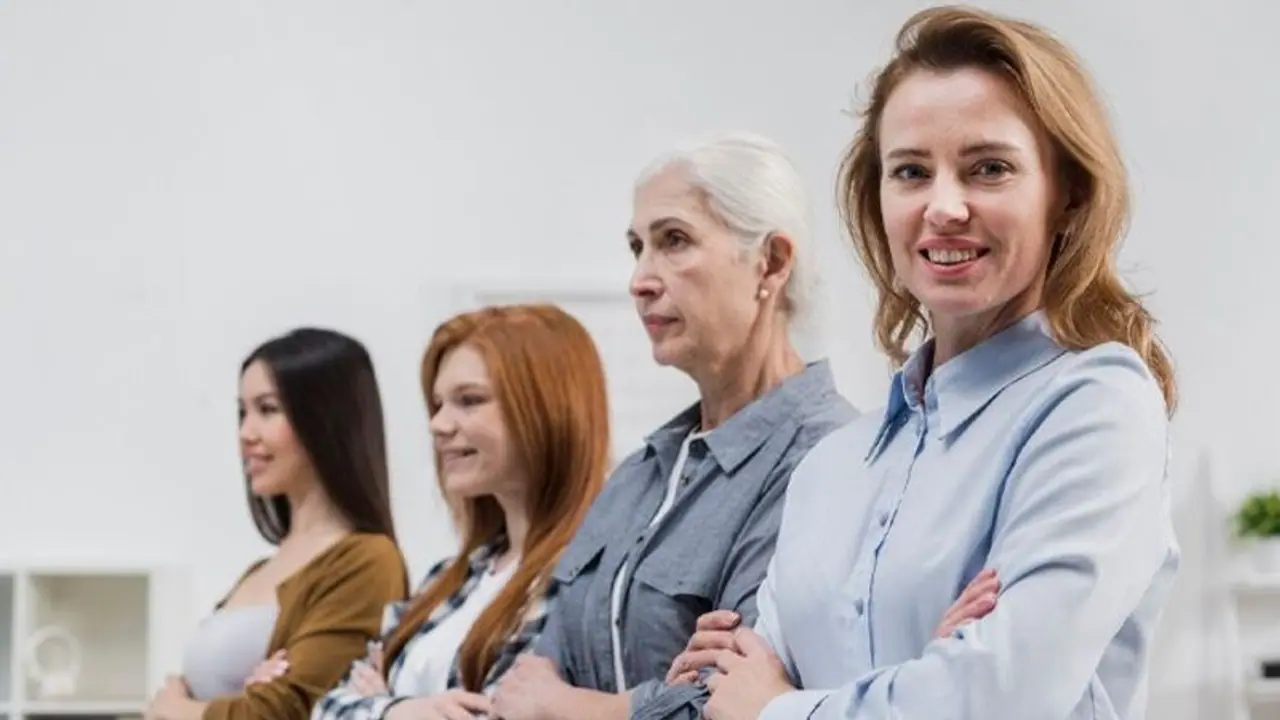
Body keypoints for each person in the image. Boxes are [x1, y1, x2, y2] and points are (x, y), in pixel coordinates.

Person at [675, 6, 1181, 720]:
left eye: (990, 169)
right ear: (876, 199)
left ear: (1066, 195)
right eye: (911, 171)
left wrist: (777, 708)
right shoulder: (829, 470)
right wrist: (924, 679)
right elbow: (722, 692)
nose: (945, 207)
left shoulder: (1097, 405)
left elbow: (999, 698)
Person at [488, 132, 858, 720]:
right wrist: (640, 701)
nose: (641, 278)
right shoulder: (642, 471)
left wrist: (566, 708)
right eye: (638, 247)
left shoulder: (829, 457)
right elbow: (526, 669)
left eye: (674, 241)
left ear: (772, 261)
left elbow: (729, 704)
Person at [304, 304, 612, 720]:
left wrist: (380, 700)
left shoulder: (586, 579)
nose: (438, 424)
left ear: (546, 410)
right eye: (438, 404)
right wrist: (401, 712)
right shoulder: (448, 578)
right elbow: (327, 707)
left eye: (469, 400)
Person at [147, 328, 408, 720]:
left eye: (268, 410)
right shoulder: (258, 571)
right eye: (243, 412)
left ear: (324, 420)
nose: (245, 434)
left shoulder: (367, 561)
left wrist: (177, 710)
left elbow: (284, 711)